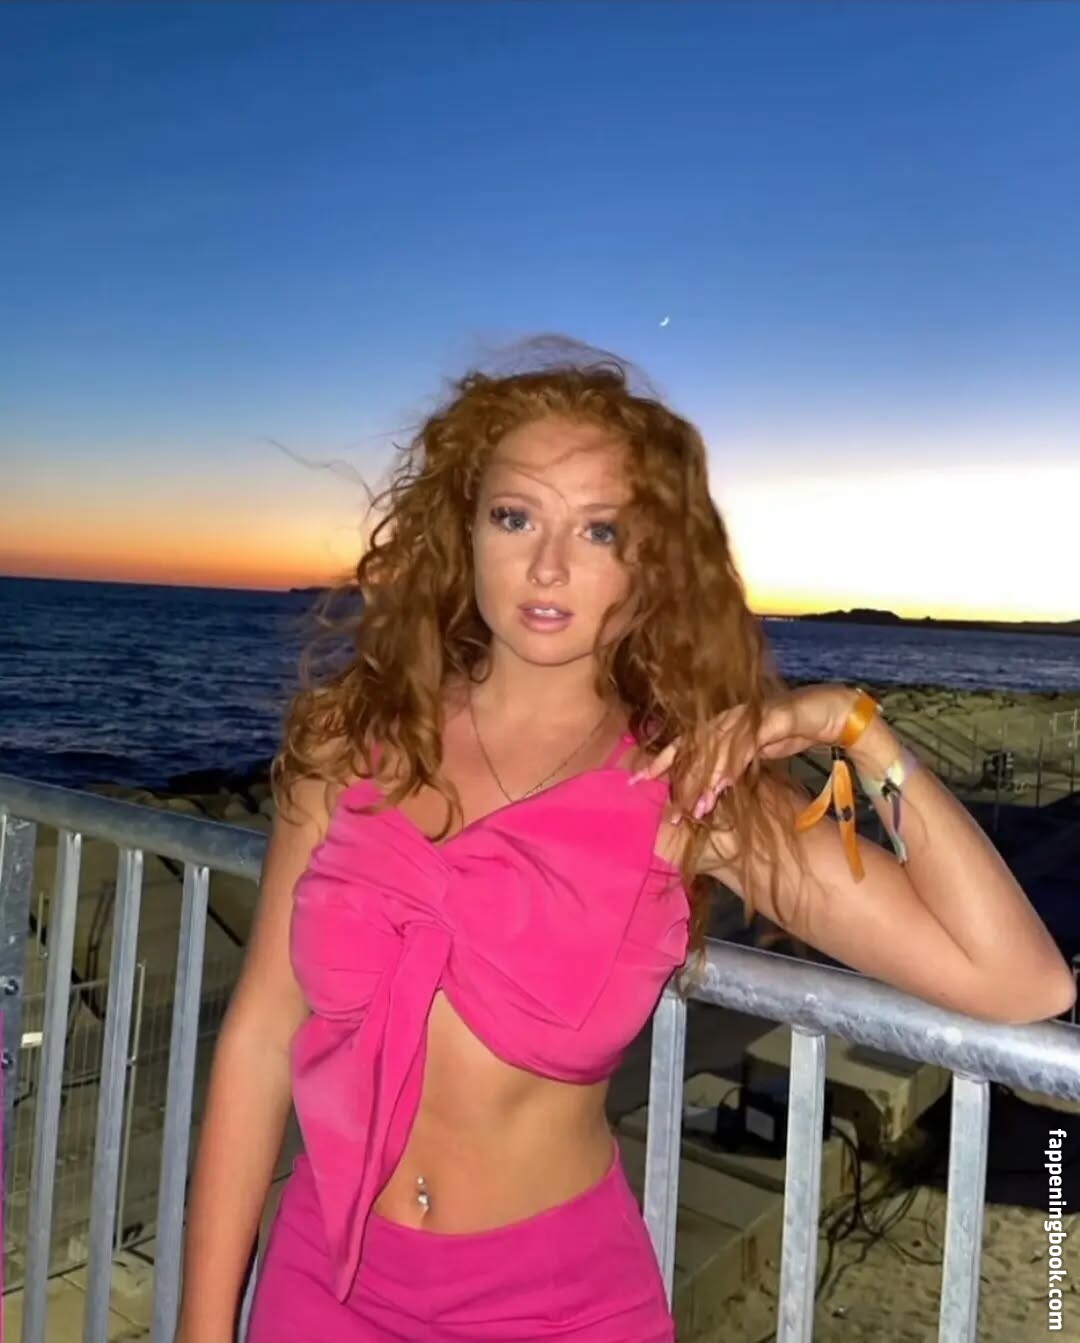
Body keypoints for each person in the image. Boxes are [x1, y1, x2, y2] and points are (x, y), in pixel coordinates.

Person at [176, 338, 1076, 1343]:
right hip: (323, 1281)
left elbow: (1019, 978)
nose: (548, 565)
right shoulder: (349, 742)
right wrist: (203, 1326)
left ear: (650, 566)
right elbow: (261, 1037)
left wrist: (858, 732)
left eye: (599, 529)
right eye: (515, 516)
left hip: (555, 1307)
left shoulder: (685, 788)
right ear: (464, 530)